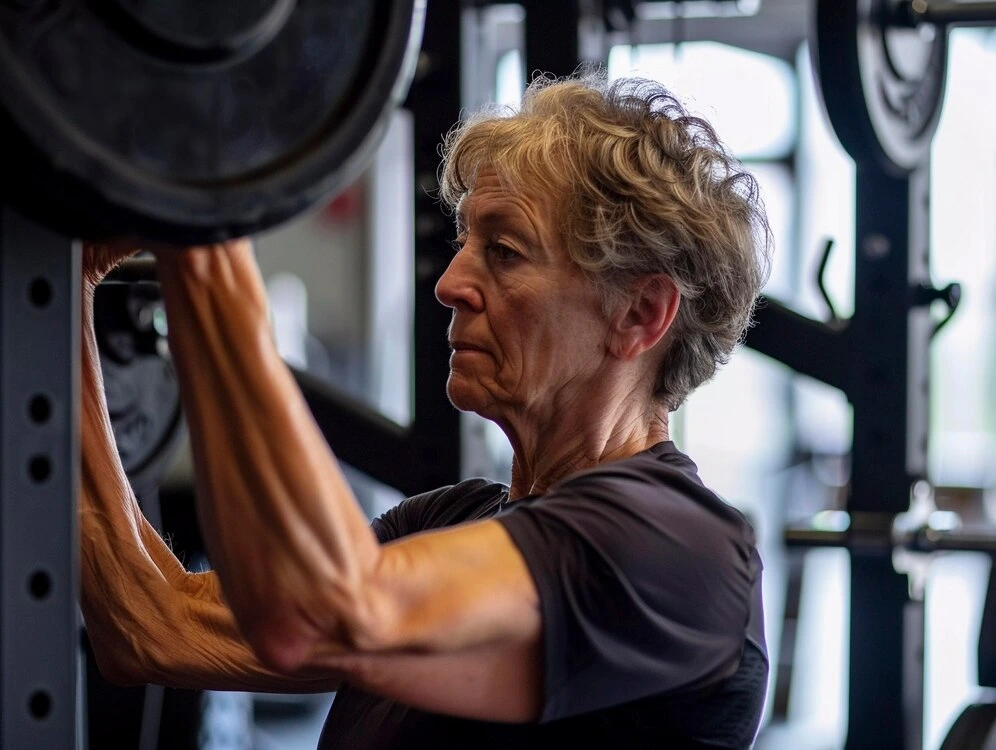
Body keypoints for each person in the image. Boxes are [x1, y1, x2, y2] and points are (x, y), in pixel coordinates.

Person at [81, 73, 772, 749]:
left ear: (639, 313)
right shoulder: (449, 518)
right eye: (464, 245)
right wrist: (72, 293)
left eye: (503, 251)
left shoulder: (682, 551)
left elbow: (323, 608)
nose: (449, 284)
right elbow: (153, 625)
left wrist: (199, 223)